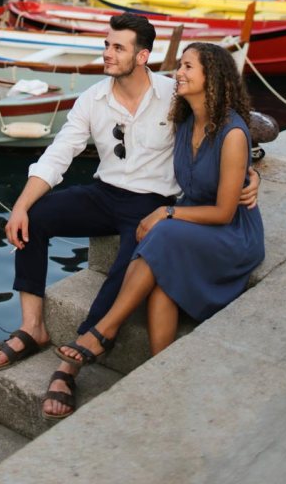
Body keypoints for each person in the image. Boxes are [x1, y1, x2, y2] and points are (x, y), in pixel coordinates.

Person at [0, 16, 260, 420]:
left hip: (154, 200)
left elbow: (229, 125)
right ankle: (33, 327)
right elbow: (58, 155)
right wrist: (22, 204)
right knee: (38, 216)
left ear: (142, 55)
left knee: (131, 257)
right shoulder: (92, 100)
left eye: (118, 48)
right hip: (104, 194)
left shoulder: (175, 92)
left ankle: (70, 366)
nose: (107, 54)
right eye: (107, 45)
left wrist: (252, 171)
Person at [54, 43, 264, 378]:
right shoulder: (182, 122)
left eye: (188, 67)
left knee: (161, 230)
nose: (178, 73)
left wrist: (167, 212)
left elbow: (224, 212)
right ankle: (159, 372)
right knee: (163, 280)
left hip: (231, 233)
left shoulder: (233, 133)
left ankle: (103, 330)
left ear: (213, 77)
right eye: (180, 66)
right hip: (194, 220)